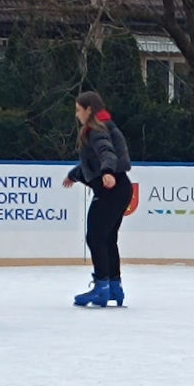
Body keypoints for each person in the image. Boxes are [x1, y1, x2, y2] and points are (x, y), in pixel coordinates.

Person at [62, 90, 133, 307]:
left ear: (88, 110)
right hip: (120, 187)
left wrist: (108, 172)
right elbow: (92, 162)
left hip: (111, 188)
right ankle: (114, 286)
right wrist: (74, 175)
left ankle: (102, 287)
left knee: (95, 237)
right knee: (107, 238)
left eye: (78, 110)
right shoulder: (106, 126)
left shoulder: (96, 130)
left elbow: (106, 152)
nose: (77, 115)